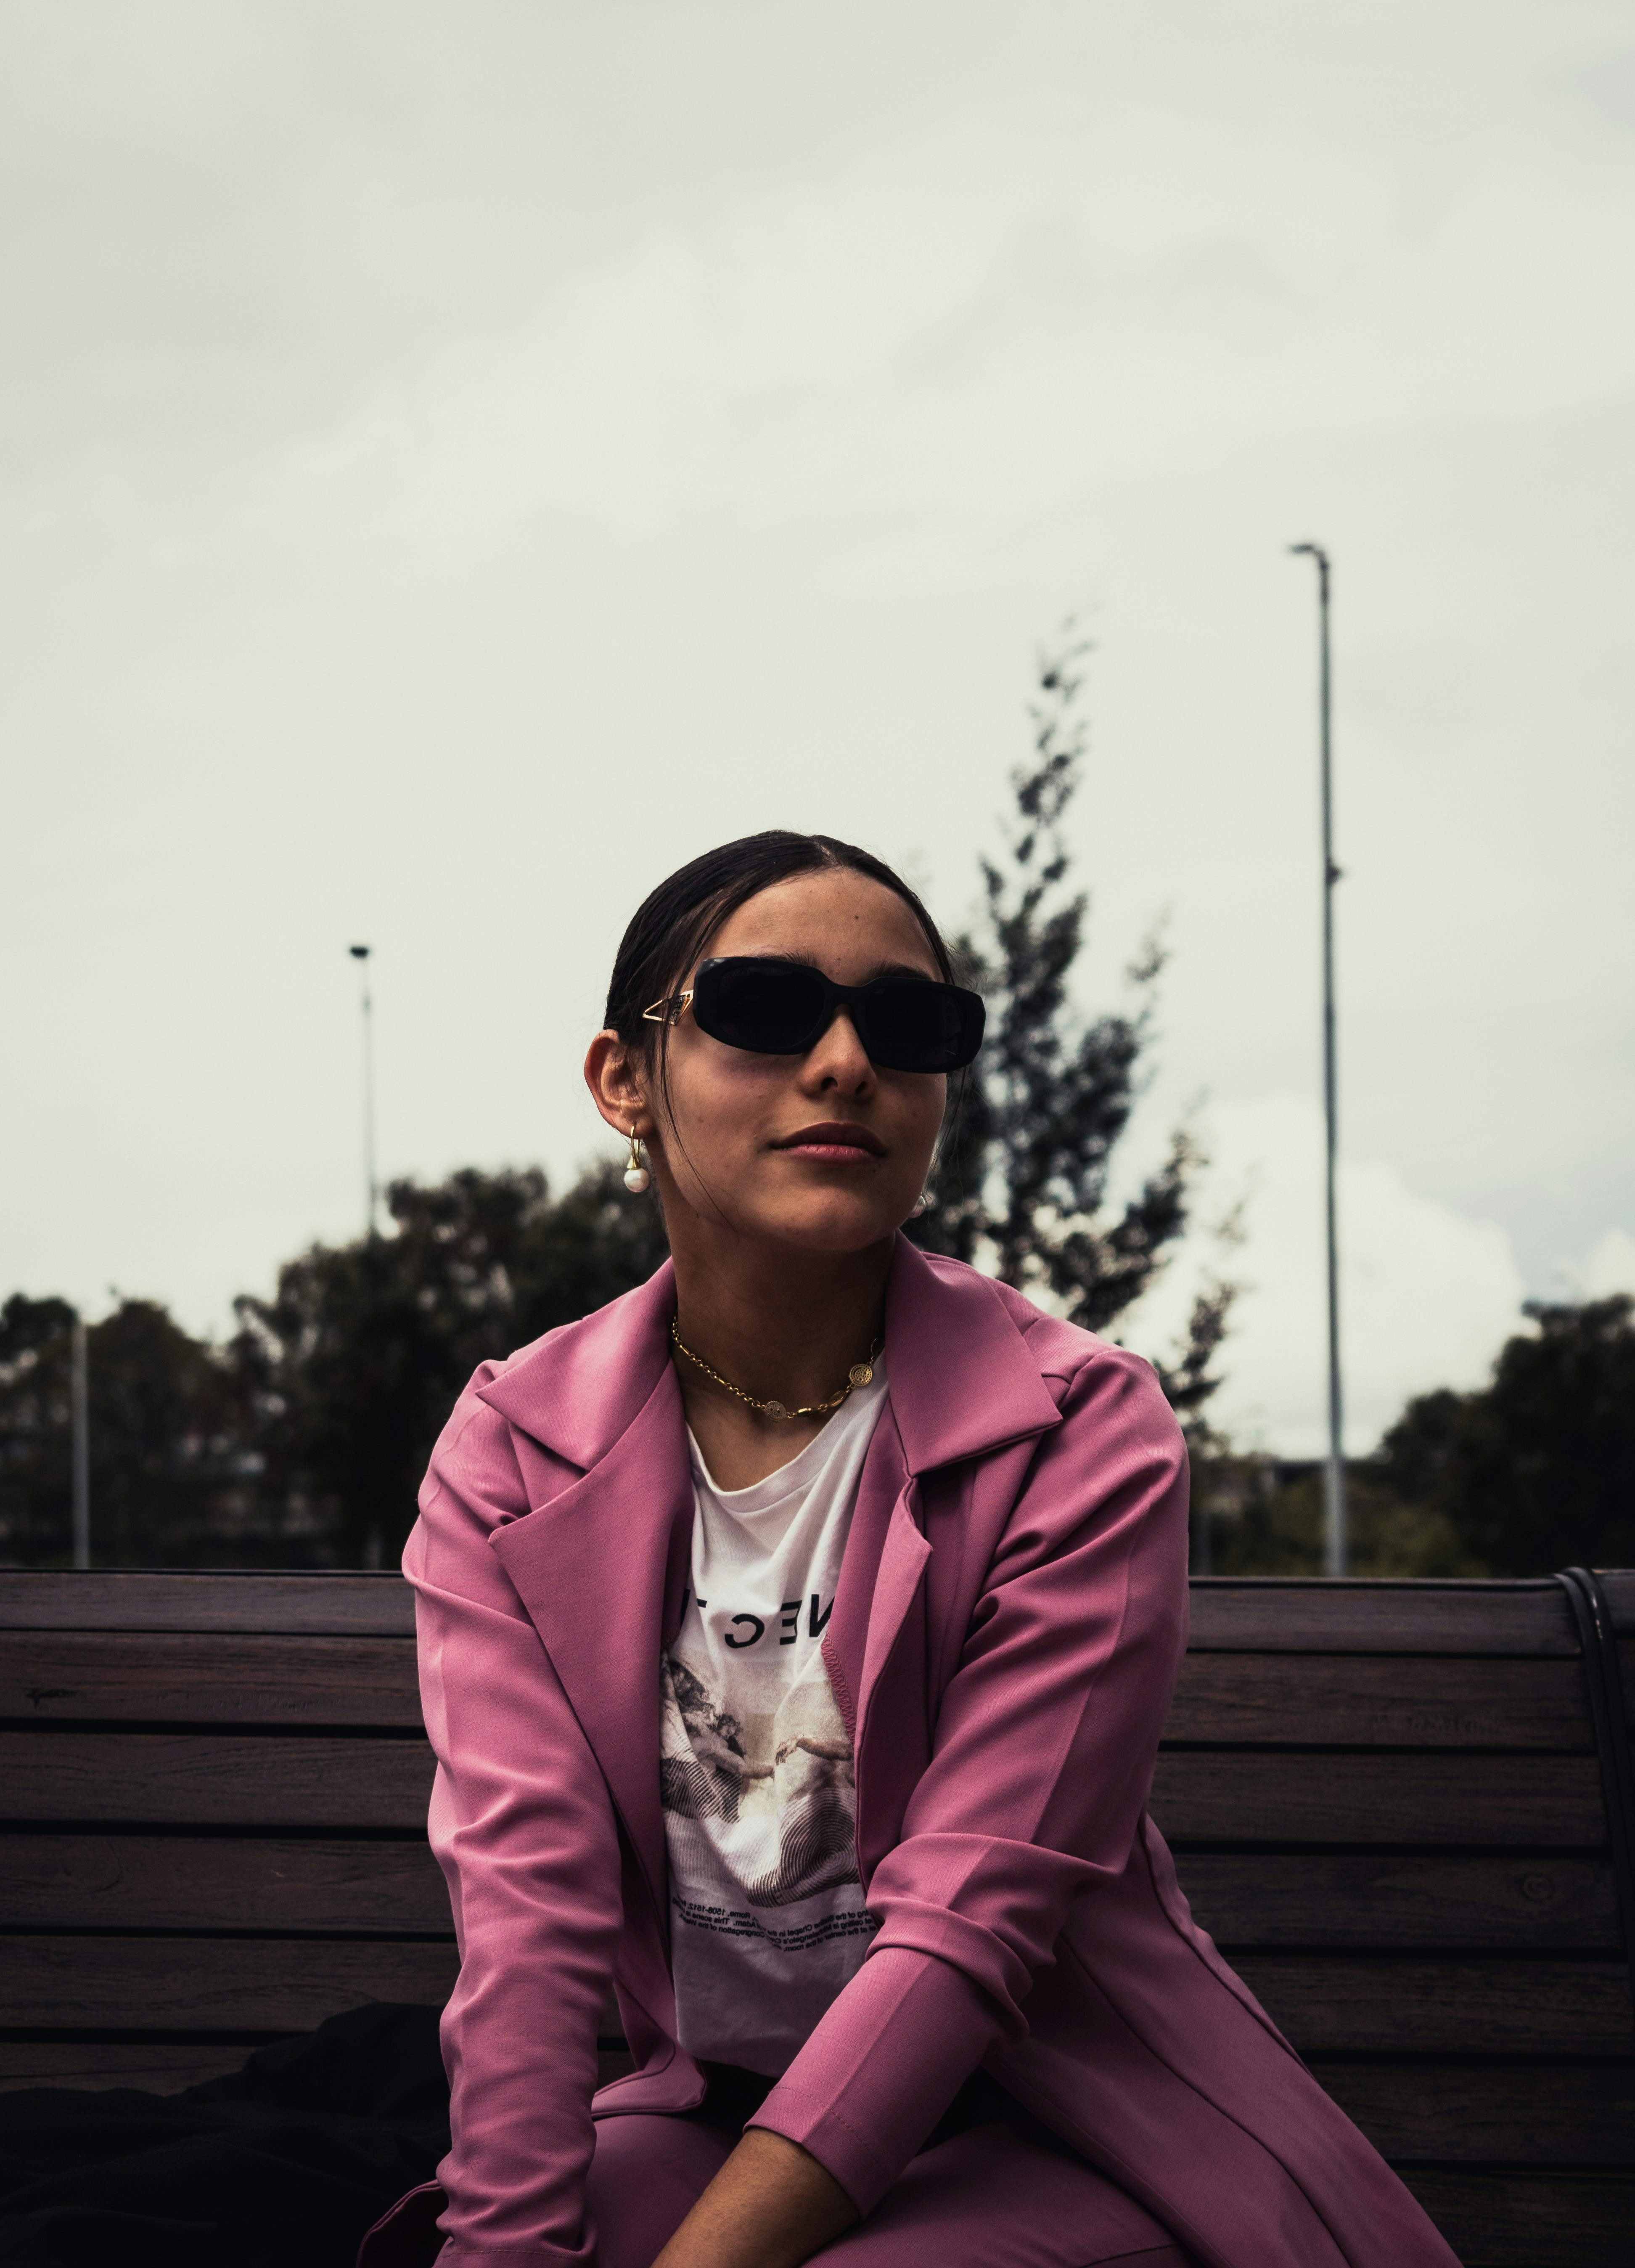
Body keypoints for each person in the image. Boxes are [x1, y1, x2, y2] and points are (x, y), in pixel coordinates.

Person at [360, 832, 1460, 2268]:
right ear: (623, 1080)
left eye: (907, 1024)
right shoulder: (512, 1452)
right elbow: (530, 1915)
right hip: (706, 2102)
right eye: (763, 1008)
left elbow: (968, 1930)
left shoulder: (1078, 1427)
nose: (841, 1061)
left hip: (1064, 2121)